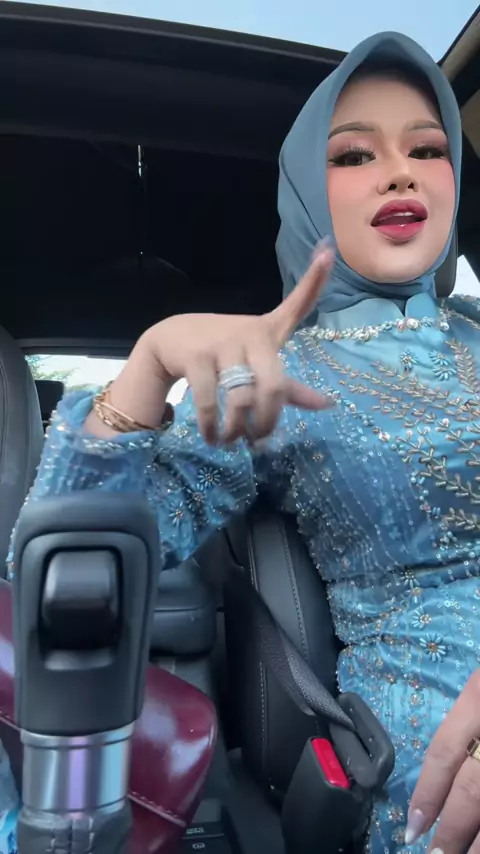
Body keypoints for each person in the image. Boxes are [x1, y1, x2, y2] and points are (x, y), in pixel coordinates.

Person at [8, 29, 480, 854]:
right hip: (438, 750)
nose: (399, 173)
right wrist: (150, 362)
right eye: (354, 155)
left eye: (427, 148)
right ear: (305, 192)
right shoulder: (272, 377)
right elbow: (67, 583)